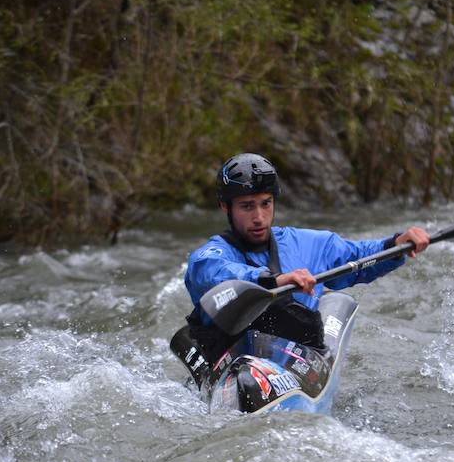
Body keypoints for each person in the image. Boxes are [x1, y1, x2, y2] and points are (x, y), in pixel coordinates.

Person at [181, 152, 430, 368]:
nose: (259, 217)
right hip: (237, 363)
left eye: (265, 204)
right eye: (247, 206)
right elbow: (211, 272)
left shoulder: (305, 244)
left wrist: (397, 244)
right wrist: (273, 280)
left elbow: (357, 257)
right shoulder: (212, 255)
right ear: (226, 207)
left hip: (293, 364)